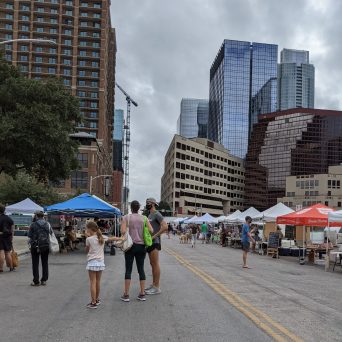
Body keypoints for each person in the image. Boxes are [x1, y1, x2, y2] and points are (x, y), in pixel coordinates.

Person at [120, 200, 153, 302]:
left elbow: (122, 231)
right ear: (139, 208)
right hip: (141, 246)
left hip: (130, 246)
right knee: (141, 269)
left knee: (128, 269)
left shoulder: (126, 217)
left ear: (131, 208)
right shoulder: (144, 218)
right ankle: (142, 293)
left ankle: (126, 295)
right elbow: (151, 230)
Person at [85, 221, 121, 309]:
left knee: (92, 282)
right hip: (100, 262)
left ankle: (93, 302)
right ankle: (97, 299)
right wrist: (121, 238)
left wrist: (87, 237)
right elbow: (112, 238)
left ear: (89, 229)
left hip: (92, 262)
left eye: (86, 229)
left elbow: (86, 250)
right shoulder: (102, 237)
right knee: (97, 282)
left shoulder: (88, 239)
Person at [145, 197, 168, 295]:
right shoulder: (150, 214)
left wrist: (155, 236)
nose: (147, 204)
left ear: (153, 204)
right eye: (146, 202)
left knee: (155, 264)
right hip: (150, 242)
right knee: (152, 264)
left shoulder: (157, 214)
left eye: (148, 202)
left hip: (155, 242)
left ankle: (157, 287)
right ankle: (153, 284)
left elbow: (165, 227)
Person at [28, 211, 53, 286]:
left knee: (35, 263)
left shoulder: (33, 224)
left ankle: (36, 281)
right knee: (45, 262)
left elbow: (29, 235)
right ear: (43, 216)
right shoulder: (47, 224)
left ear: (36, 216)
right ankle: (44, 280)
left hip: (35, 246)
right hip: (45, 245)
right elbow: (51, 234)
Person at [0, 204, 14, 272]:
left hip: (0, 237)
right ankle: (11, 267)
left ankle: (1, 268)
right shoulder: (8, 218)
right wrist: (11, 237)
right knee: (8, 253)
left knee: (1, 252)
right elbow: (12, 229)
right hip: (8, 237)